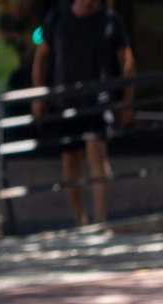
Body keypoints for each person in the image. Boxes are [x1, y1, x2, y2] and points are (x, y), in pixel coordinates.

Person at [30, 0, 136, 227]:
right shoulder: (58, 18)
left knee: (96, 152)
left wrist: (127, 100)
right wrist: (39, 95)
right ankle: (80, 220)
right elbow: (41, 57)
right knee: (70, 161)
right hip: (65, 101)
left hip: (98, 100)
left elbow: (126, 60)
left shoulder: (110, 20)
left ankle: (99, 219)